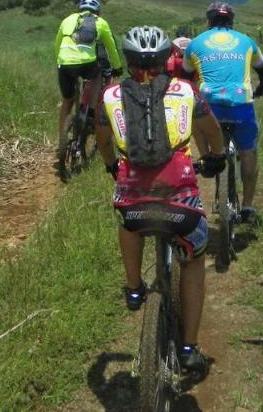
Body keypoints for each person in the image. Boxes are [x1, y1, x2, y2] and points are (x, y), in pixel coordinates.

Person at [96, 25, 226, 377]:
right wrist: (215, 158)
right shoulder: (187, 92)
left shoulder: (109, 96)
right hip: (180, 209)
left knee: (125, 217)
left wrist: (112, 165)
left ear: (128, 60)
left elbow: (104, 141)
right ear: (168, 58)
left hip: (134, 208)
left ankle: (135, 287)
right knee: (194, 260)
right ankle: (188, 348)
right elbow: (213, 133)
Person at [182, 1, 263, 224]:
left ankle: (206, 157)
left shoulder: (195, 43)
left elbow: (185, 78)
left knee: (197, 119)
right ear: (231, 21)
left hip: (210, 105)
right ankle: (249, 207)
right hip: (241, 104)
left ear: (208, 21)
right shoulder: (246, 41)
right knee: (249, 151)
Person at [54, 0, 122, 169]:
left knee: (67, 102)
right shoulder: (101, 22)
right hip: (87, 64)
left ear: (79, 9)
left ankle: (61, 139)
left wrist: (60, 62)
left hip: (65, 64)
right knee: (97, 76)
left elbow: (57, 44)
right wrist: (117, 67)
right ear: (97, 11)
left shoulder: (68, 19)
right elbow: (111, 48)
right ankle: (90, 110)